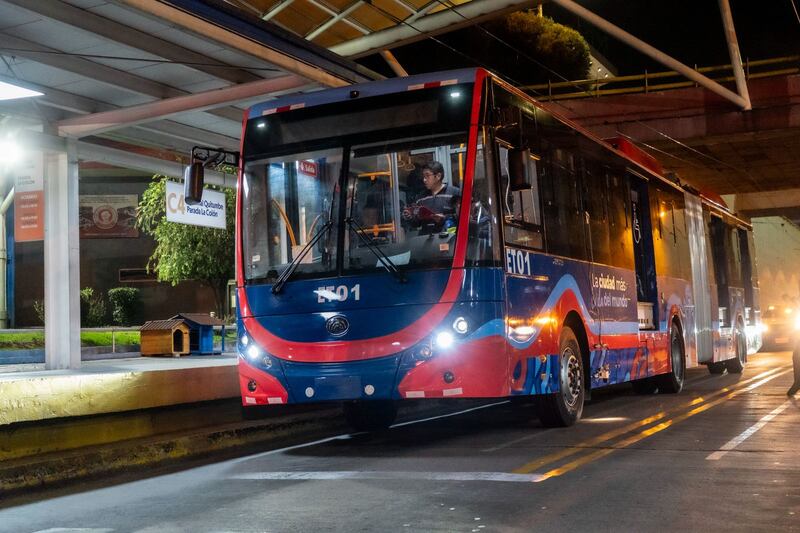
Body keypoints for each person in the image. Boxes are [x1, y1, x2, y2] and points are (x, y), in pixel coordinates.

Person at [403, 161, 461, 232]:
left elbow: (463, 217)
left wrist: (444, 218)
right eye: (423, 176)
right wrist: (410, 217)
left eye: (427, 176)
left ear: (438, 176)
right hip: (426, 239)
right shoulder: (420, 198)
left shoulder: (455, 193)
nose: (424, 180)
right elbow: (416, 224)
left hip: (448, 239)